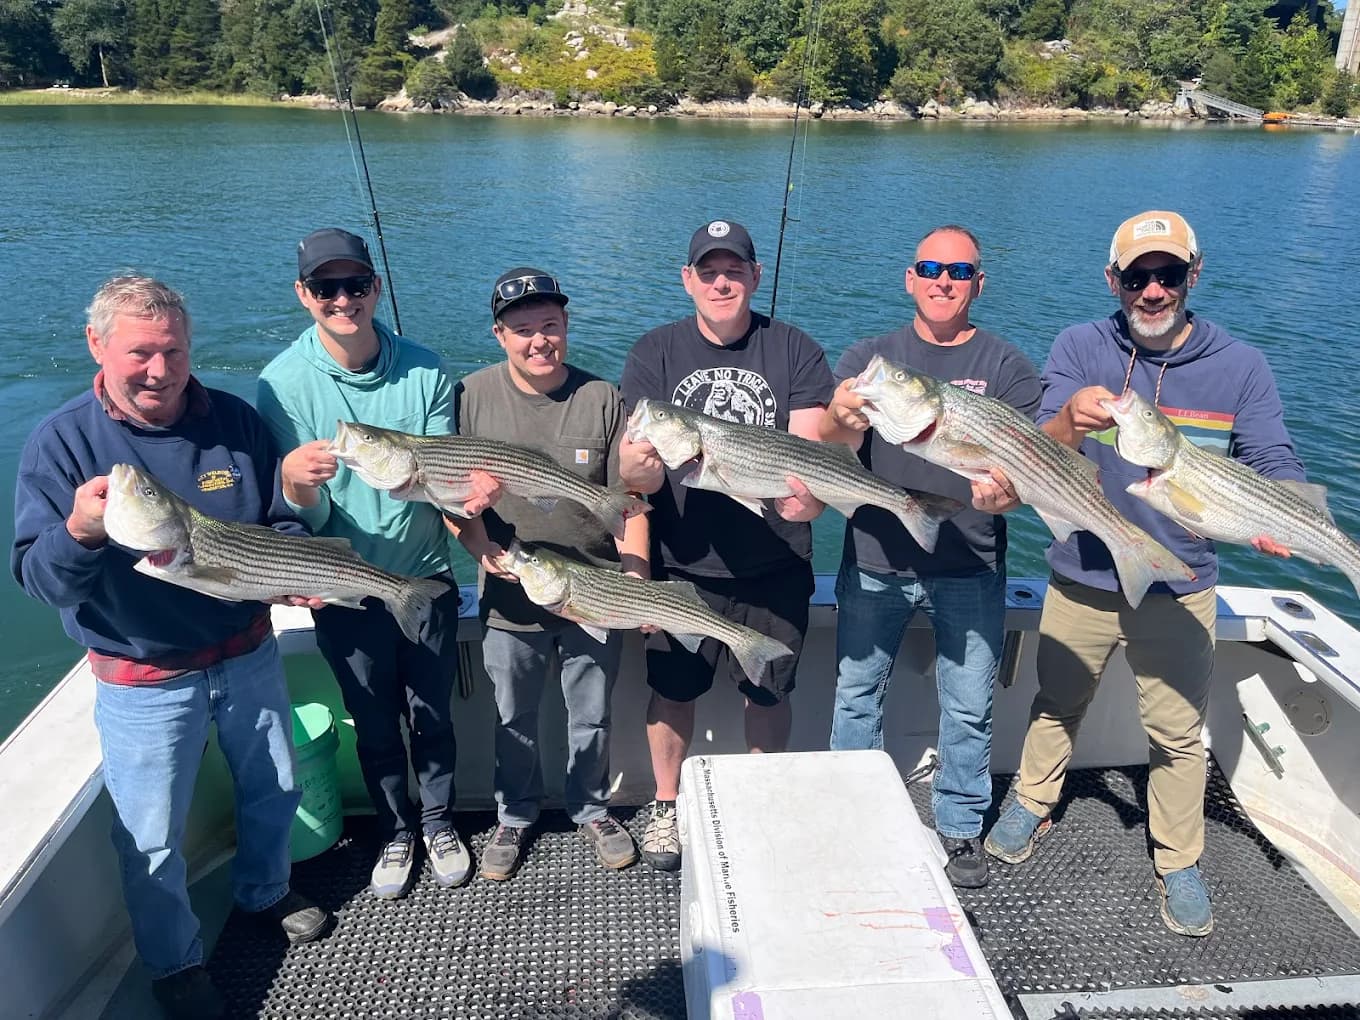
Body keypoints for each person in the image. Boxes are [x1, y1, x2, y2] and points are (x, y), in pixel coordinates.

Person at [11, 276, 331, 1020]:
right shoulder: (62, 443)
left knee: (275, 788)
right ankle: (175, 965)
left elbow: (278, 522)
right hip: (142, 675)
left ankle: (265, 889)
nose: (159, 370)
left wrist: (292, 568)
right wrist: (84, 532)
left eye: (175, 352)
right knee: (150, 838)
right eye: (141, 353)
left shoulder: (234, 422)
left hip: (248, 650)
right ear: (97, 346)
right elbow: (40, 578)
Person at [983, 211, 1304, 936]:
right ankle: (1032, 802)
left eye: (1167, 275)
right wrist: (1068, 416)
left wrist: (1279, 513)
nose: (1152, 291)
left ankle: (1179, 857)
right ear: (1113, 281)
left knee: (1178, 734)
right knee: (1056, 701)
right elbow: (1040, 447)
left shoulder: (1241, 365)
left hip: (1181, 582)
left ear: (1193, 275)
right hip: (1085, 571)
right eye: (1137, 277)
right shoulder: (1078, 345)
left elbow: (1273, 458)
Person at [817, 225, 1041, 890]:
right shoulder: (871, 356)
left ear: (978, 284)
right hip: (876, 560)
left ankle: (961, 825)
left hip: (970, 566)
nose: (944, 280)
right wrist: (838, 414)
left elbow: (1025, 476)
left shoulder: (1007, 367)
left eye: (960, 270)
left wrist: (1010, 493)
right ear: (909, 278)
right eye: (930, 267)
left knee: (969, 705)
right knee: (856, 696)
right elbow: (831, 444)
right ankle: (849, 809)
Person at [257, 228, 472, 900]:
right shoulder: (280, 383)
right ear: (304, 295)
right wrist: (297, 482)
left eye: (355, 285)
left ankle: (439, 820)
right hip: (342, 587)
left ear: (376, 289)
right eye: (326, 287)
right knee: (372, 721)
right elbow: (292, 516)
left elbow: (438, 483)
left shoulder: (428, 371)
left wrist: (472, 504)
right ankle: (396, 828)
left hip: (427, 576)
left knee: (432, 715)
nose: (342, 298)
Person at [619, 219, 834, 872]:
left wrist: (810, 496)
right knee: (672, 690)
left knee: (768, 691)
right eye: (707, 272)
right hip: (681, 568)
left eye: (733, 270)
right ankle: (664, 805)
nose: (721, 282)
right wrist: (644, 471)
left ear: (755, 276)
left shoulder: (795, 350)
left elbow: (806, 450)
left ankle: (763, 801)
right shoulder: (654, 352)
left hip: (776, 562)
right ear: (687, 280)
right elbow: (631, 474)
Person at [445, 268, 648, 880]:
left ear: (566, 327)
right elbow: (449, 497)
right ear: (499, 334)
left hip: (595, 592)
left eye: (551, 326)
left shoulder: (603, 398)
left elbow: (629, 502)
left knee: (591, 713)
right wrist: (478, 546)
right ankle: (514, 815)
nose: (540, 341)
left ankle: (591, 807)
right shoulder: (470, 396)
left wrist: (636, 579)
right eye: (524, 329)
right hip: (511, 593)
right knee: (513, 716)